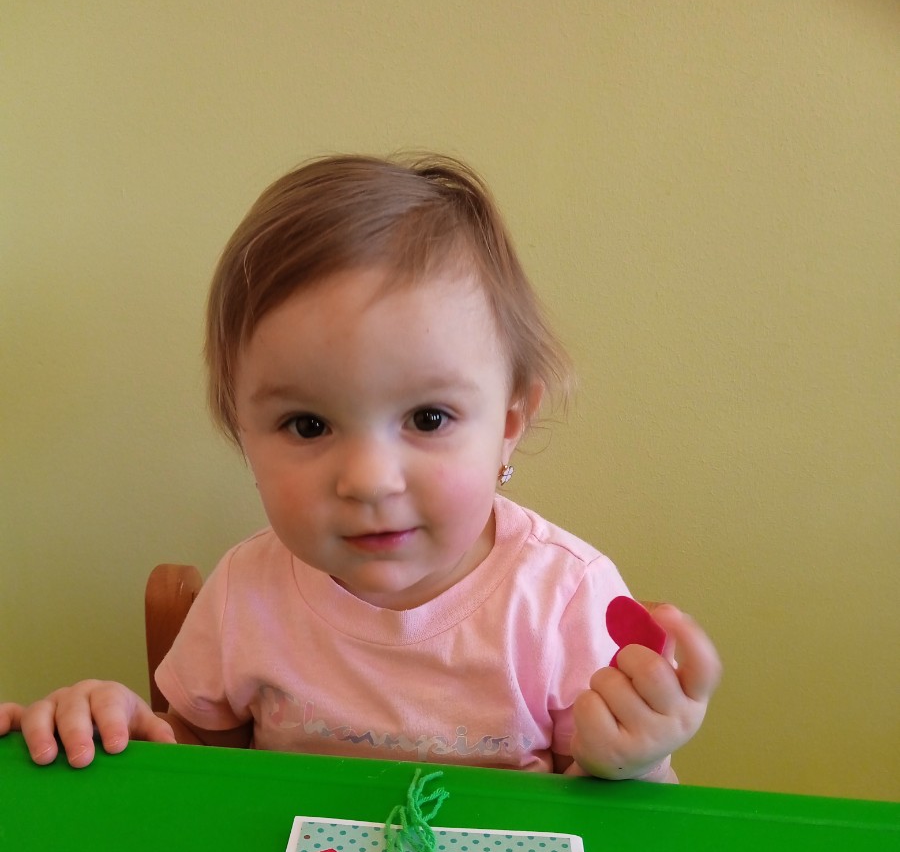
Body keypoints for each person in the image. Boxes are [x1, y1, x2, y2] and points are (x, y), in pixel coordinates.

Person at [0, 153, 720, 780]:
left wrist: (633, 762)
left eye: (428, 419)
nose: (369, 480)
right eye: (308, 425)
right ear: (245, 436)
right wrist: (127, 732)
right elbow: (201, 764)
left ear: (508, 425)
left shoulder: (562, 601)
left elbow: (613, 838)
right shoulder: (245, 592)